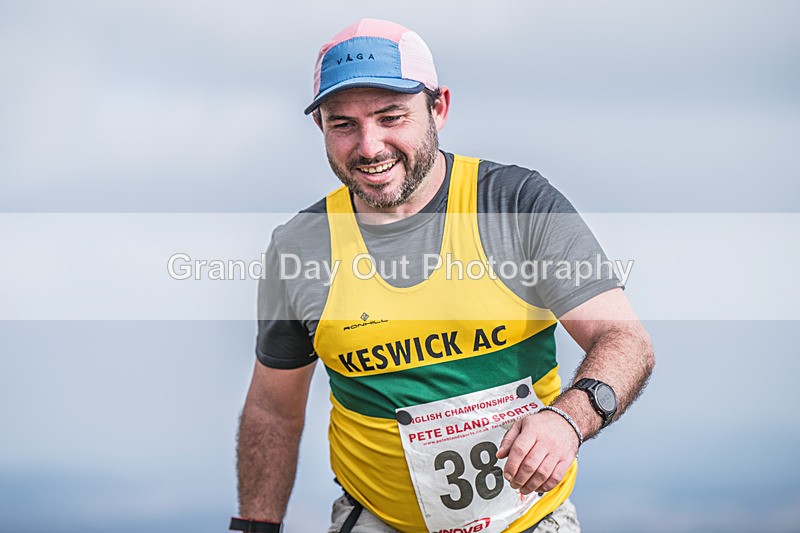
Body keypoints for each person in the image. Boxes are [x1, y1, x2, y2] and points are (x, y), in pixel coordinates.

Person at [232, 18, 654, 533]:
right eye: (344, 124)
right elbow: (274, 410)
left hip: (527, 520)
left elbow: (624, 339)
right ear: (320, 126)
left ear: (439, 108)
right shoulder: (298, 247)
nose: (369, 146)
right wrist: (255, 527)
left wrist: (568, 420)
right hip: (376, 520)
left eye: (392, 117)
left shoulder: (514, 204)